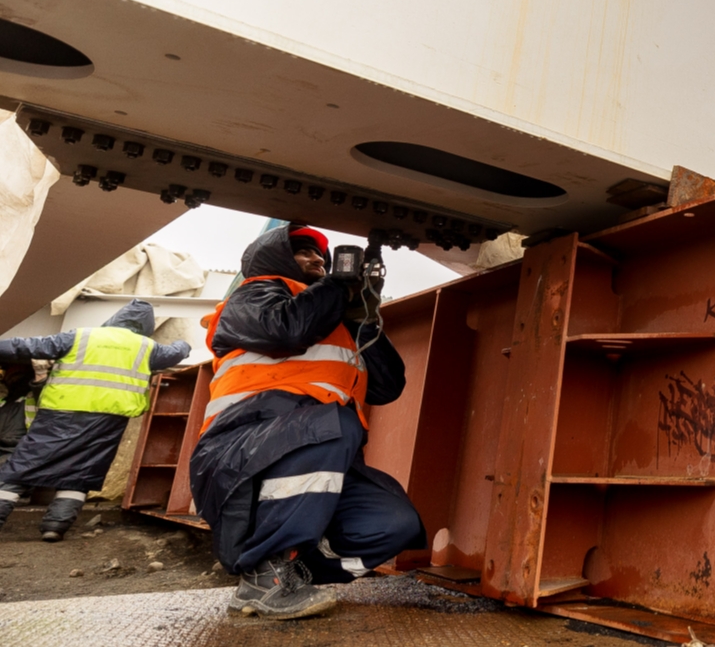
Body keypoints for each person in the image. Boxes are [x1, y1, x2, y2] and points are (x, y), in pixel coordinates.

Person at [189, 225, 424, 620]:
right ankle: (263, 579)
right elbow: (286, 328)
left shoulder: (334, 323)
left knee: (392, 524)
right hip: (240, 454)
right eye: (303, 252)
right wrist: (335, 288)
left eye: (322, 257)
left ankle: (290, 575)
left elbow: (388, 386)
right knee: (334, 422)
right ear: (275, 259)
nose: (318, 260)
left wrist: (362, 318)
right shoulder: (253, 295)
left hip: (313, 447)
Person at [0, 300, 192, 539]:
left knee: (21, 466)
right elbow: (175, 354)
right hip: (108, 420)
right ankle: (55, 527)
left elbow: (26, 347)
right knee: (82, 471)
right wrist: (184, 344)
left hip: (61, 413)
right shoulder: (147, 347)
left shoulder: (81, 336)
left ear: (115, 318)